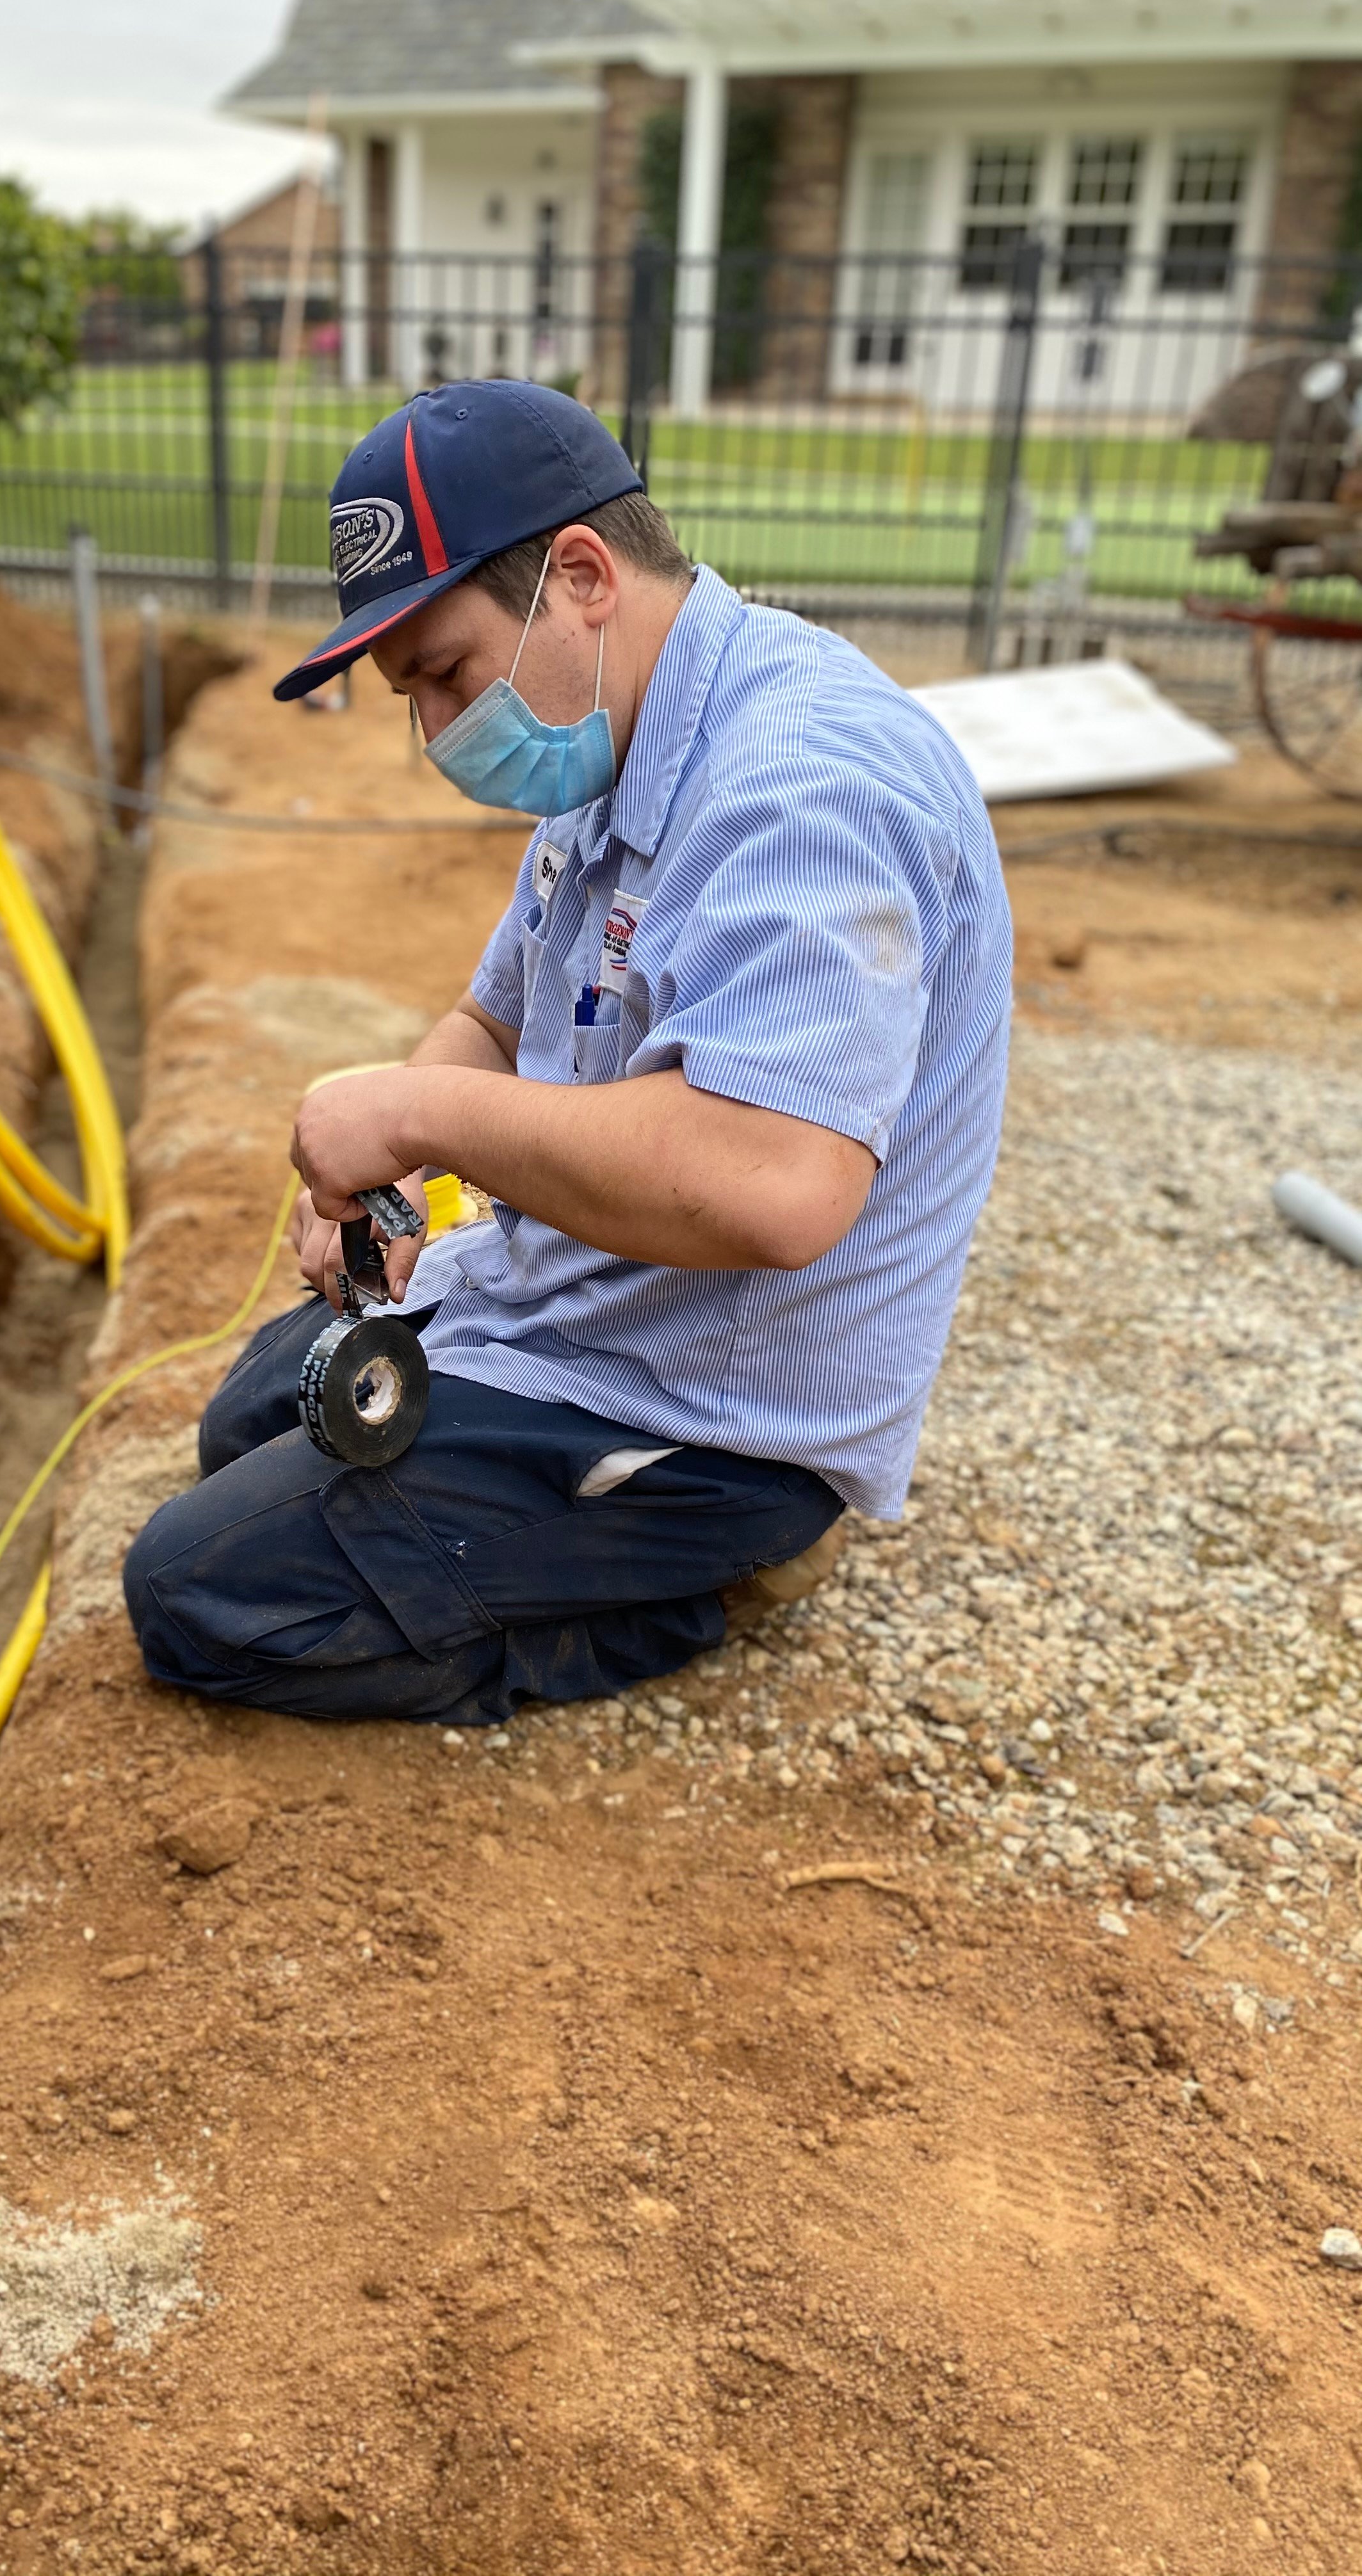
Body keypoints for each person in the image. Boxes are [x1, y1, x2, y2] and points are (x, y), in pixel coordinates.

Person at [124, 380, 1011, 1727]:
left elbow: (775, 1182)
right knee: (246, 1420)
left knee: (197, 1594)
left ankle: (711, 1575)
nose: (434, 735)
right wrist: (396, 1181)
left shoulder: (804, 786)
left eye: (444, 676)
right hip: (582, 1309)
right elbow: (492, 1022)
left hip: (709, 1413)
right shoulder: (624, 739)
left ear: (582, 577)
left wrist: (419, 1115)